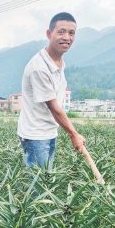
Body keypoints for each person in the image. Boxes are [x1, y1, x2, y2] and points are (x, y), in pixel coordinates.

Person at [17, 12, 86, 170]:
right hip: (36, 134)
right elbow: (54, 106)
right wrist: (74, 134)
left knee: (47, 180)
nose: (66, 37)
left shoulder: (59, 61)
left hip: (49, 131)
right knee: (39, 186)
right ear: (49, 34)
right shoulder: (39, 67)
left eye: (71, 33)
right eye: (61, 32)